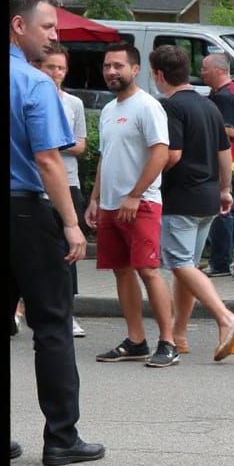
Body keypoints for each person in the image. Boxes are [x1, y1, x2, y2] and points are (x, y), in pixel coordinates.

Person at [9, 0, 105, 466]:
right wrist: (72, 224)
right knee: (51, 323)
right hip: (24, 211)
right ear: (18, 26)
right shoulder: (32, 83)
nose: (54, 34)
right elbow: (48, 158)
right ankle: (61, 437)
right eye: (47, 26)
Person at [149, 45, 234, 362]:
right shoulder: (209, 107)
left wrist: (144, 176)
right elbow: (223, 152)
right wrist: (225, 189)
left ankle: (225, 318)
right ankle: (179, 334)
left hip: (181, 198)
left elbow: (172, 154)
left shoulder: (171, 107)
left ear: (158, 74)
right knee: (187, 268)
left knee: (180, 265)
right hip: (208, 199)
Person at [85, 42, 176, 368]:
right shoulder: (109, 110)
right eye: (107, 66)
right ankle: (136, 340)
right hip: (111, 206)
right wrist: (95, 199)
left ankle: (168, 342)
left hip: (142, 204)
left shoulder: (147, 107)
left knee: (148, 271)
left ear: (135, 69)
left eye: (118, 66)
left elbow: (161, 153)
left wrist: (136, 194)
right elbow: (105, 159)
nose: (111, 71)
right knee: (121, 272)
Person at [34, 41, 91, 335]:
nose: (55, 73)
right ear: (38, 68)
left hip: (67, 184)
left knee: (69, 251)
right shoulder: (29, 96)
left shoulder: (73, 103)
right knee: (33, 251)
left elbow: (81, 144)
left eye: (60, 68)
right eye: (50, 67)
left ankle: (68, 312)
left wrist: (54, 141)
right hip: (34, 185)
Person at [201, 51, 234, 277]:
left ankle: (221, 262)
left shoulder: (226, 96)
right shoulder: (227, 93)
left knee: (221, 209)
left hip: (229, 157)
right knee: (227, 210)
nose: (201, 73)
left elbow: (229, 130)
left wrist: (199, 127)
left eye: (204, 68)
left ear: (220, 70)